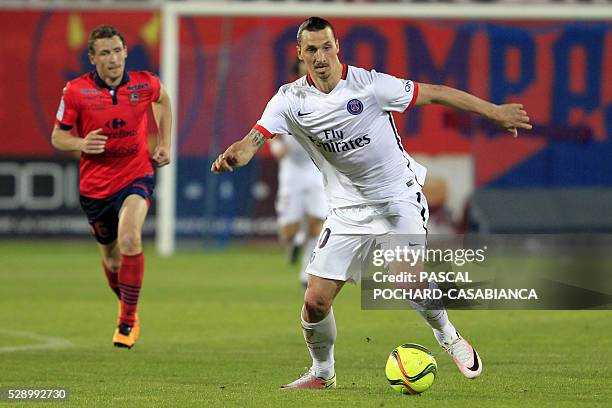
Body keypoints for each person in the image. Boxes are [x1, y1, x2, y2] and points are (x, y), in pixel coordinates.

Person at [211, 17, 531, 388]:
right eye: (311, 49)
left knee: (408, 280)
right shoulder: (288, 99)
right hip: (346, 209)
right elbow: (253, 140)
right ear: (300, 53)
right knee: (315, 301)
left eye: (326, 47)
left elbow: (436, 92)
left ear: (337, 48)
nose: (320, 56)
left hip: (398, 197)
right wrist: (237, 155)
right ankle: (323, 372)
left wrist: (494, 111)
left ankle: (449, 337)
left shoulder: (371, 85)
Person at [51, 25, 173, 349]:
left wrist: (164, 143)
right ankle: (127, 304)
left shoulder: (144, 82)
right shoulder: (75, 91)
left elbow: (163, 99)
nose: (113, 58)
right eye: (105, 53)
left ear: (125, 52)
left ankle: (127, 320)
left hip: (136, 175)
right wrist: (80, 142)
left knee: (130, 237)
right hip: (95, 186)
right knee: (114, 260)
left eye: (118, 51)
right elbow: (57, 136)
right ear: (92, 58)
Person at [269, 58, 327, 288]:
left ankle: (306, 272)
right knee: (288, 232)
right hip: (291, 170)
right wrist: (276, 147)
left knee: (317, 223)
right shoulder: (285, 98)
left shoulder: (327, 98)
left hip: (316, 168)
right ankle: (297, 240)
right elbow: (271, 131)